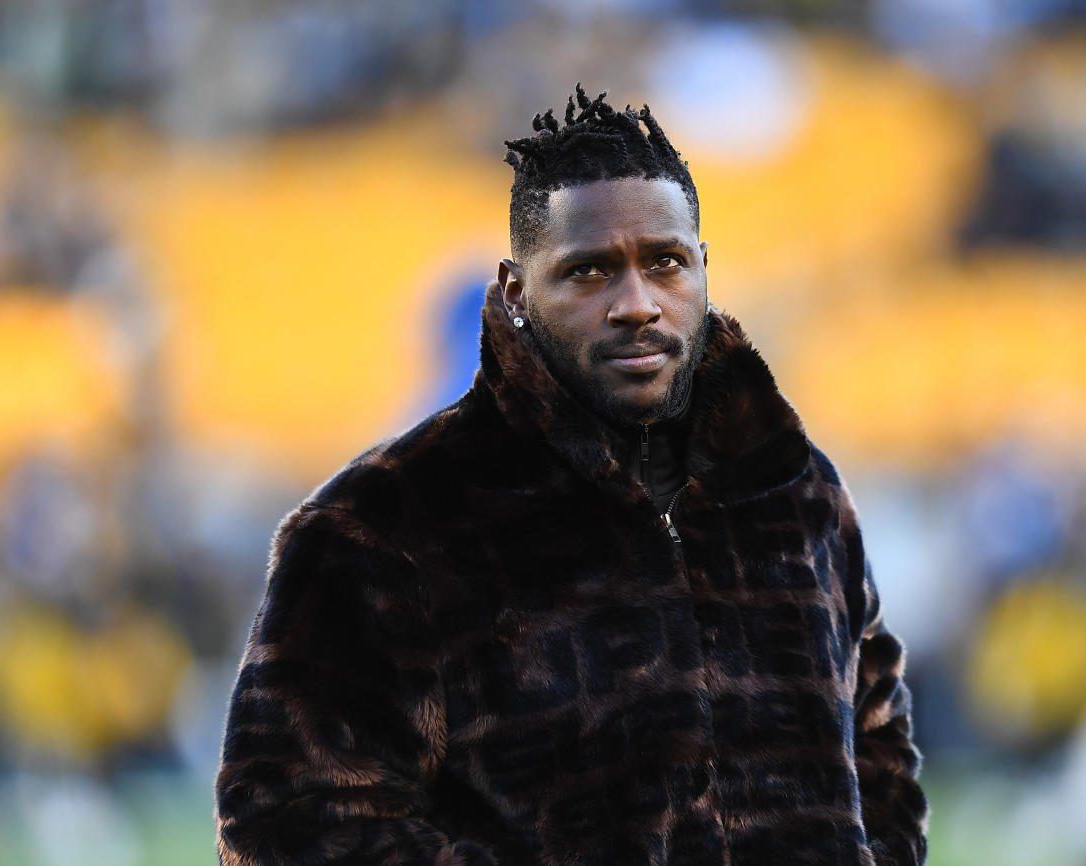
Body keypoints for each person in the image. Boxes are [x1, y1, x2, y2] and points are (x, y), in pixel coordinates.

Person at [215, 84, 928, 866]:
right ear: (517, 292)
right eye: (590, 272)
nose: (638, 304)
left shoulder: (795, 493)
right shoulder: (378, 527)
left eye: (665, 263)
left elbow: (879, 747)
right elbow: (290, 818)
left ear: (702, 269)